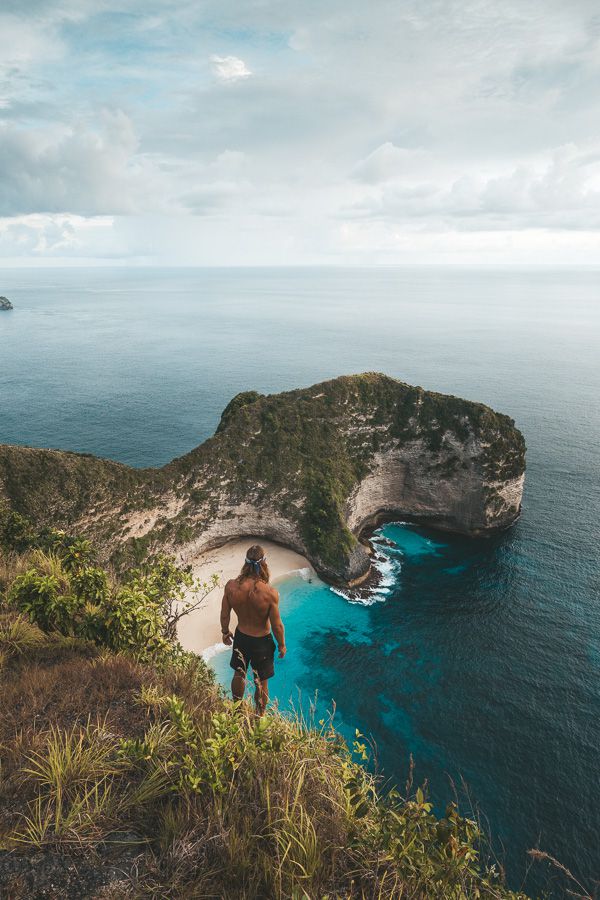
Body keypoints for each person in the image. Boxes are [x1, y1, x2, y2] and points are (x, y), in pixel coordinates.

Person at [220, 544, 286, 715]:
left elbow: (224, 613)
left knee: (239, 674)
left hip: (241, 637)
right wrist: (281, 645)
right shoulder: (270, 593)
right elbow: (277, 625)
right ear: (264, 564)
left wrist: (225, 632)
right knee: (261, 682)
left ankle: (237, 710)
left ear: (245, 563)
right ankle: (259, 717)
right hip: (262, 643)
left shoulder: (231, 587)